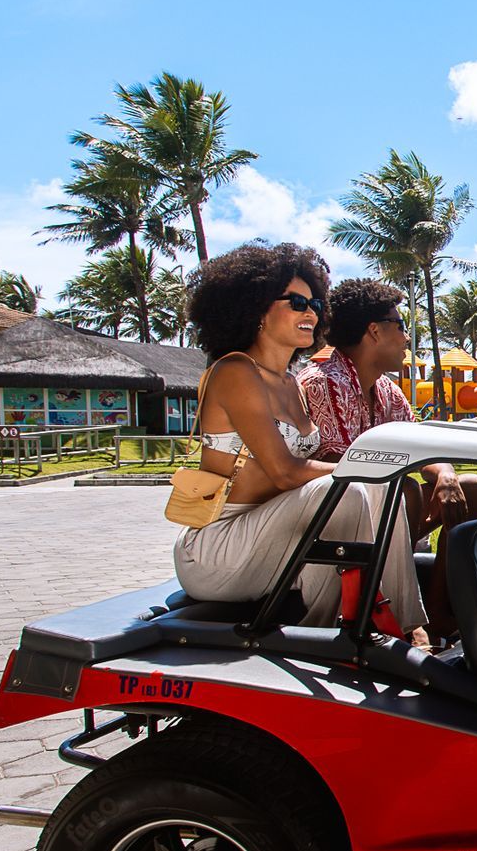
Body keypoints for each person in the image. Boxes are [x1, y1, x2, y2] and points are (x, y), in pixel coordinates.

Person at [171, 243, 429, 648]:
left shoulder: (292, 383)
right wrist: (371, 469)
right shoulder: (235, 371)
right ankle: (335, 637)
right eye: (296, 302)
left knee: (380, 486)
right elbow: (285, 472)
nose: (310, 313)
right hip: (220, 547)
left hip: (278, 536)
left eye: (315, 303)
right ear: (255, 308)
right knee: (351, 487)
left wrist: (381, 473)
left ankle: (402, 625)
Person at [298, 278, 477, 539]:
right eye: (401, 326)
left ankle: (440, 569)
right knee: (405, 490)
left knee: (473, 488)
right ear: (374, 331)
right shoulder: (324, 381)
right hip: (331, 511)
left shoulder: (386, 389)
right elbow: (340, 466)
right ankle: (392, 566)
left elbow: (421, 445)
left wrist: (445, 474)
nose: (406, 338)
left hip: (377, 499)